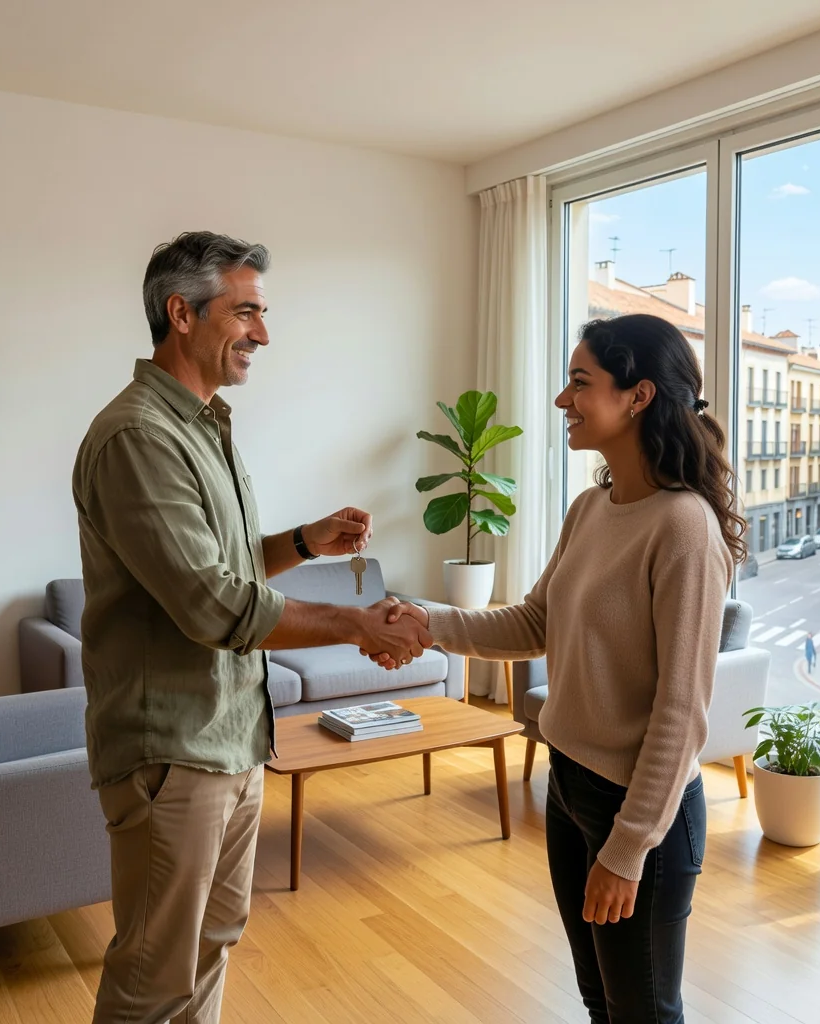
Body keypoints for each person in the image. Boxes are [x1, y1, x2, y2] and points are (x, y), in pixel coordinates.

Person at [73, 231, 431, 1024]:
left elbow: (225, 570)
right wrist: (354, 622)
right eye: (247, 313)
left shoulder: (205, 425)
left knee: (211, 944)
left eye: (263, 314)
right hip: (173, 749)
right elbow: (211, 605)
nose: (263, 334)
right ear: (181, 313)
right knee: (154, 977)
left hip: (234, 738)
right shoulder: (140, 436)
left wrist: (304, 542)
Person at [383, 313, 741, 1022]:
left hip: (643, 815)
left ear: (638, 396)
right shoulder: (591, 508)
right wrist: (431, 624)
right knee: (596, 999)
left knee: (642, 1011)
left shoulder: (684, 529)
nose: (561, 400)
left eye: (580, 382)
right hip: (570, 784)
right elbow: (535, 622)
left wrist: (628, 847)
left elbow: (681, 711)